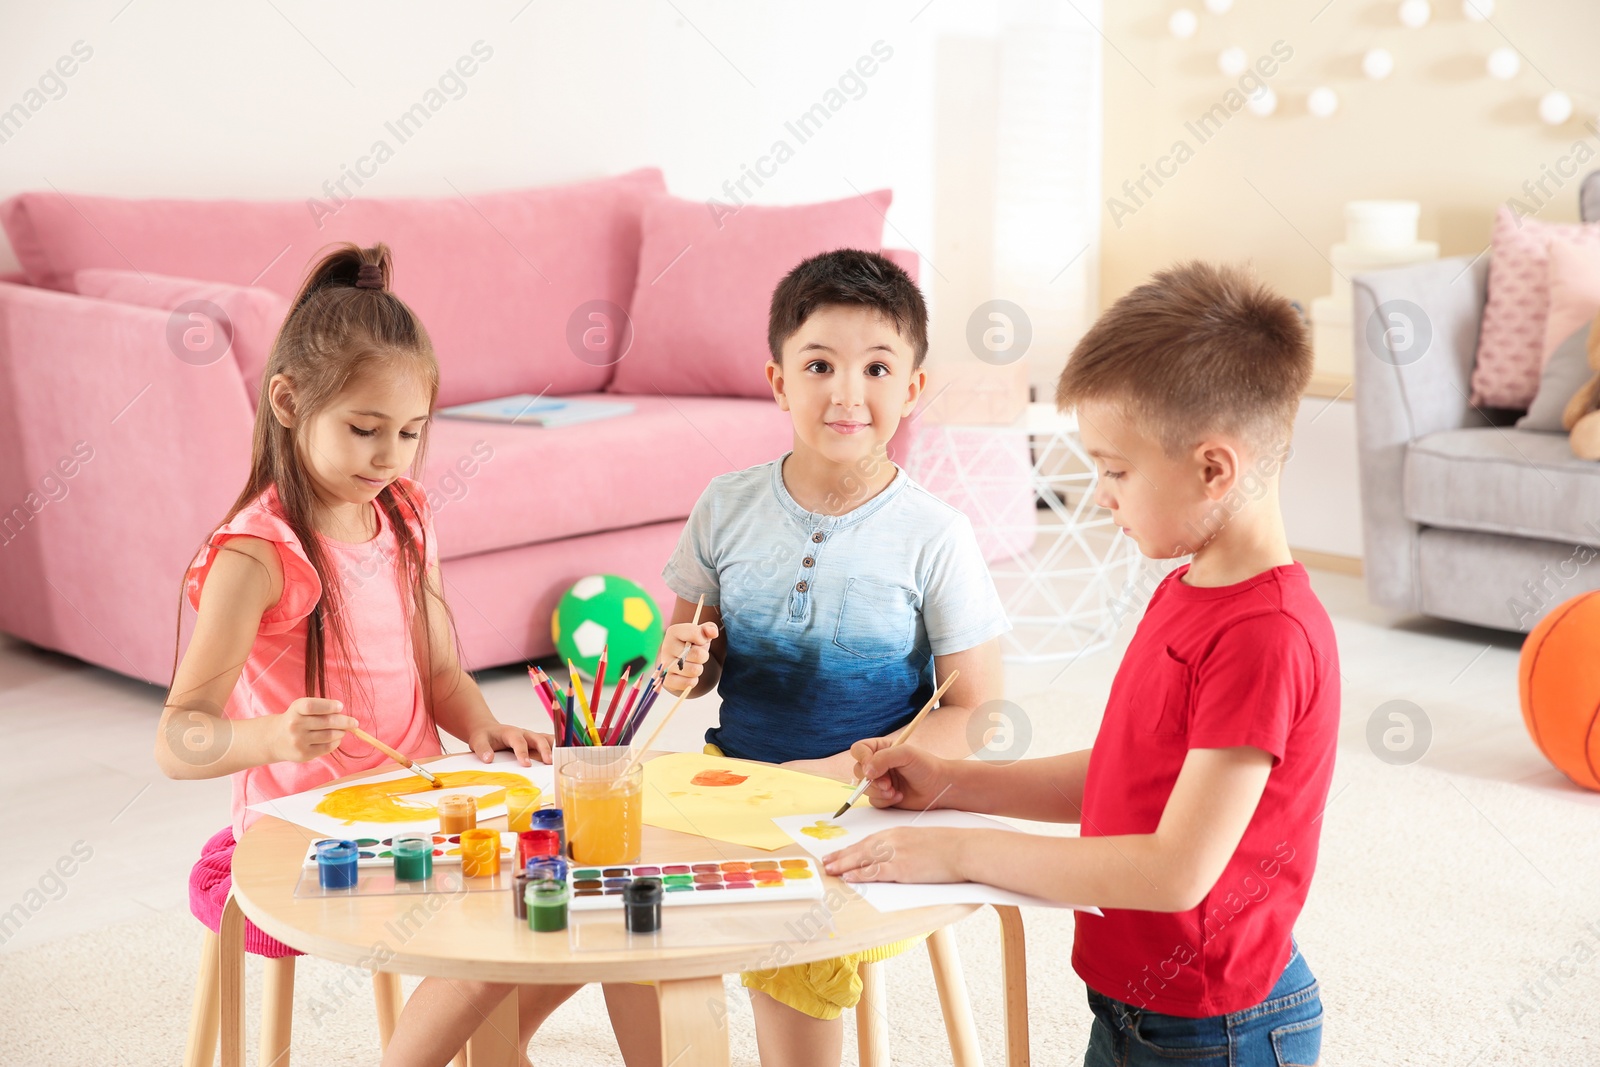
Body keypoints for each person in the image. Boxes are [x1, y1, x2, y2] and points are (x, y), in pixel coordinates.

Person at [824, 261, 1336, 1067]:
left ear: (1213, 468)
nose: (1100, 494)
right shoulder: (1188, 586)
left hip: (1217, 1029)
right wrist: (955, 785)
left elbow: (1173, 871)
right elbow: (1130, 775)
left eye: (1116, 471)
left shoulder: (1265, 635)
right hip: (1137, 1008)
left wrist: (959, 851)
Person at [154, 243, 565, 1067]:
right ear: (286, 401)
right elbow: (178, 738)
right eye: (365, 430)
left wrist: (484, 729)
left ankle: (485, 1050)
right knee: (496, 922)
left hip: (415, 809)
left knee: (568, 877)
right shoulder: (257, 554)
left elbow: (441, 672)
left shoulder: (407, 516)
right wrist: (270, 737)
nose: (390, 457)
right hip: (304, 833)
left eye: (410, 432)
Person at [601, 248, 1010, 1067]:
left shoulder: (936, 535)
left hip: (860, 804)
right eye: (819, 364)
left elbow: (978, 709)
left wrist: (852, 768)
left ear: (913, 388)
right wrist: (679, 662)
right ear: (780, 380)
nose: (846, 392)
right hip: (732, 780)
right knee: (620, 902)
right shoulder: (726, 505)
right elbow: (692, 660)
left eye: (877, 367)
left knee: (794, 948)